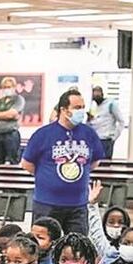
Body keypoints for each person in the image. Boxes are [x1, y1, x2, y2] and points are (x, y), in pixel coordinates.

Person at [21, 90, 106, 235]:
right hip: (47, 203)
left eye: (83, 107)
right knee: (44, 245)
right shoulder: (43, 134)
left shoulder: (89, 134)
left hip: (78, 204)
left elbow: (94, 161)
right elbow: (27, 164)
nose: (81, 111)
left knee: (77, 247)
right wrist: (48, 175)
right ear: (64, 110)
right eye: (77, 107)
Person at [0, 76, 26, 166]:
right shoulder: (0, 101)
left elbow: (12, 114)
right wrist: (7, 115)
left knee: (13, 160)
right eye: (5, 87)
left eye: (9, 87)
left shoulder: (19, 99)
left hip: (11, 133)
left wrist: (0, 115)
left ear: (14, 87)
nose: (7, 89)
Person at [88, 85, 126, 160]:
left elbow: (121, 121)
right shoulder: (93, 106)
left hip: (106, 140)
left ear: (102, 94)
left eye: (98, 94)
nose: (96, 96)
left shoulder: (111, 104)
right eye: (94, 95)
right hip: (95, 140)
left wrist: (114, 137)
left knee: (105, 165)